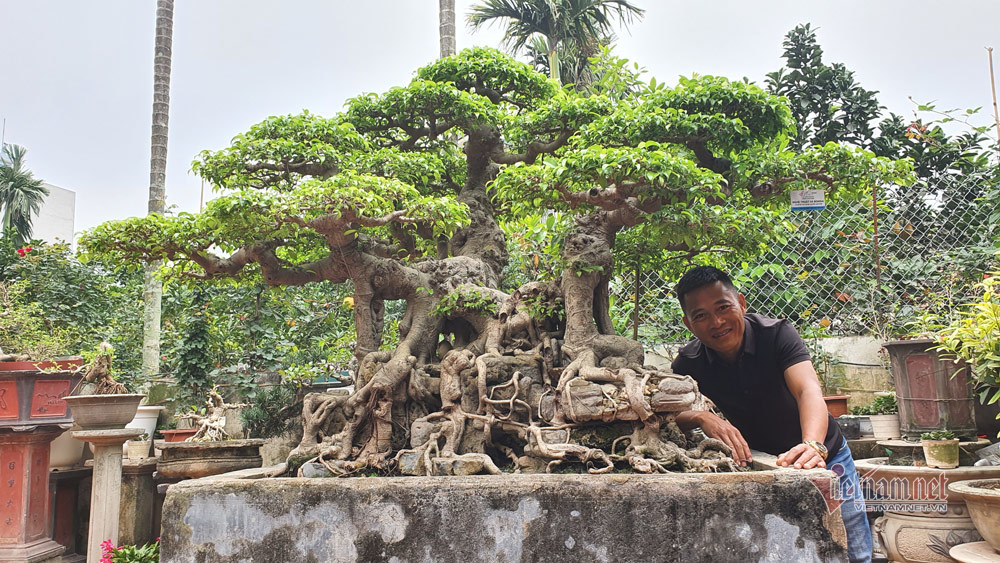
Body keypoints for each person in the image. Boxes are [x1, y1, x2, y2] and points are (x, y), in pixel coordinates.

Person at [670, 266, 872, 563]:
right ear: (689, 324)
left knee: (855, 550)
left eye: (723, 307)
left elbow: (808, 390)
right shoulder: (688, 363)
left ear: (741, 302)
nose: (717, 322)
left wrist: (813, 445)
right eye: (701, 316)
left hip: (826, 453)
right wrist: (703, 417)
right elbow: (672, 413)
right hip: (763, 463)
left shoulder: (776, 334)